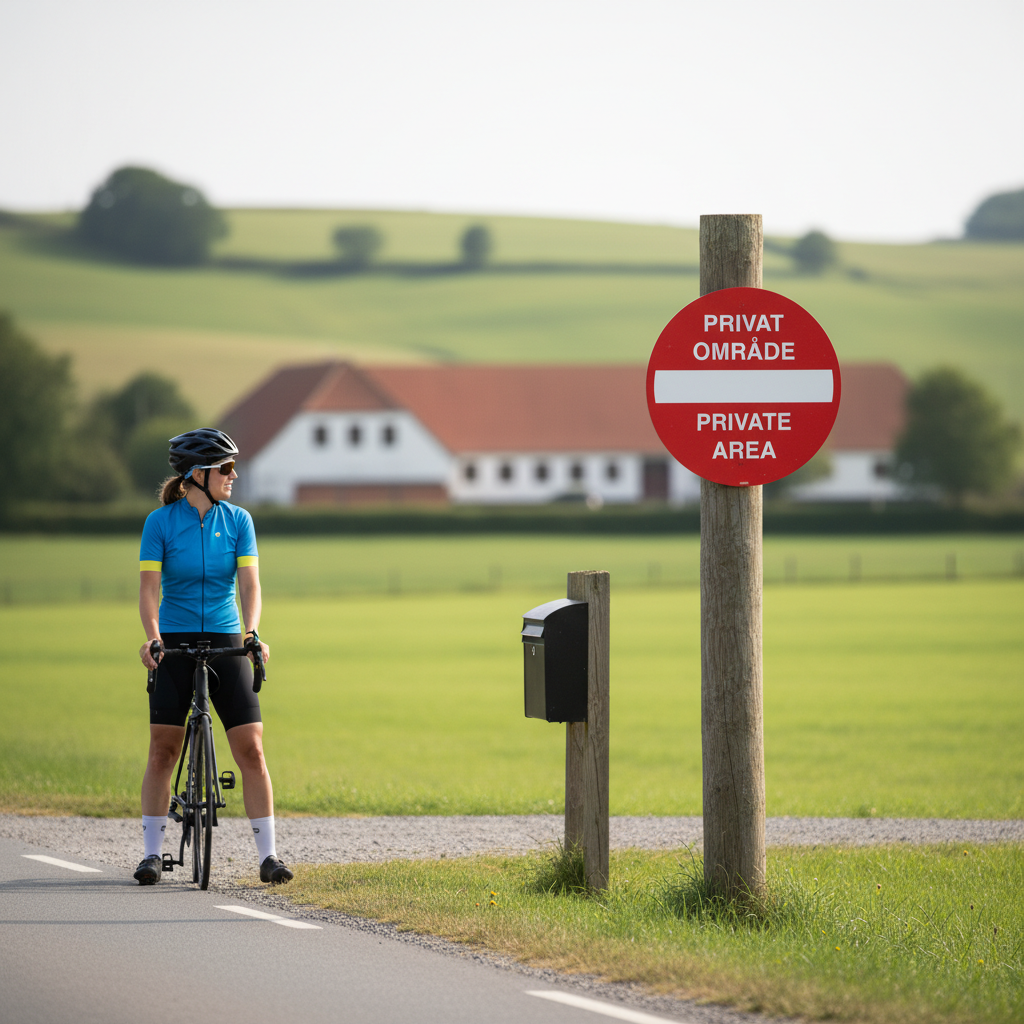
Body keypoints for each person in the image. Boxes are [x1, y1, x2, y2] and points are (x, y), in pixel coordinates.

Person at [134, 428, 293, 886]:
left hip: (226, 639)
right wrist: (153, 637)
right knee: (164, 751)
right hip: (175, 640)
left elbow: (249, 584)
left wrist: (251, 632)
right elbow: (149, 590)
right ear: (196, 475)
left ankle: (269, 857)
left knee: (252, 749)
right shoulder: (159, 524)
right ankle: (150, 854)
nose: (233, 475)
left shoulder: (239, 520)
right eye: (225, 468)